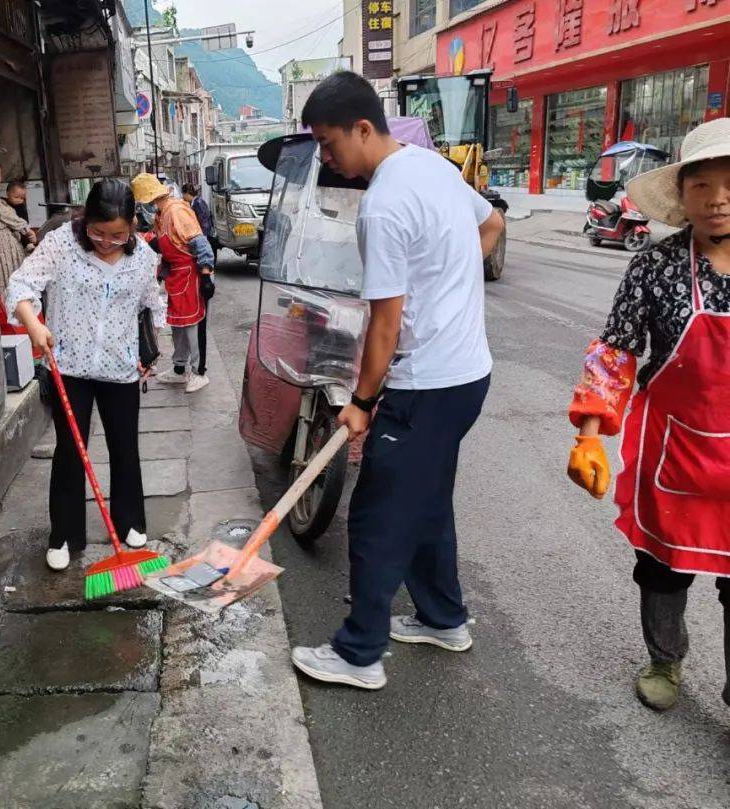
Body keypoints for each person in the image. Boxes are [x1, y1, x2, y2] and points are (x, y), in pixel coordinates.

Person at [287, 72, 505, 691]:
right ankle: (443, 618)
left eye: (330, 145)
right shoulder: (433, 168)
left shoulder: (382, 205)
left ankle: (359, 653)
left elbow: (385, 325)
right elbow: (489, 227)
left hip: (425, 384)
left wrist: (360, 402)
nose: (327, 159)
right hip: (468, 377)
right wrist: (452, 295)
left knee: (379, 512)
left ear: (363, 127)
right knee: (427, 501)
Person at [567, 118, 730, 712]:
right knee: (663, 568)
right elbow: (617, 353)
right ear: (682, 195)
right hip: (676, 452)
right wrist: (589, 434)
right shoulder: (656, 267)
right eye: (702, 185)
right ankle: (665, 658)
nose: (717, 198)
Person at [6, 180, 165, 571]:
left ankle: (130, 522)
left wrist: (149, 352)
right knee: (70, 451)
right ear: (84, 219)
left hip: (120, 368)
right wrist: (34, 324)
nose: (107, 242)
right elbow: (20, 285)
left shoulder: (143, 256)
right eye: (98, 232)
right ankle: (64, 535)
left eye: (117, 234)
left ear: (131, 227)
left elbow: (151, 305)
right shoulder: (61, 245)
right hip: (69, 367)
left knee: (125, 448)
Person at [130, 172, 215, 393]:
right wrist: (160, 272)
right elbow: (165, 246)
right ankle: (180, 369)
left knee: (193, 327)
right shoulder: (161, 214)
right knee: (178, 325)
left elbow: (199, 243)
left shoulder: (177, 211)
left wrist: (206, 275)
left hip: (192, 275)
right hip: (176, 277)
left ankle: (199, 371)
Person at [0, 155, 34, 294]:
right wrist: (27, 230)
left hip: (7, 246)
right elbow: (10, 217)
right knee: (10, 288)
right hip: (1, 248)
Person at [183, 182, 216, 377]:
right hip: (201, 248)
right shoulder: (195, 203)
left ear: (188, 194)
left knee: (200, 320)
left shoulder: (198, 204)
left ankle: (199, 368)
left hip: (202, 247)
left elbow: (203, 225)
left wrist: (200, 243)